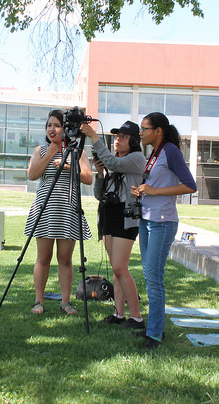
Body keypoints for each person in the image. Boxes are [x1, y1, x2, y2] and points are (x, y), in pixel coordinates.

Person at [130, 112, 197, 350]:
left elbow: (190, 185)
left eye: (145, 129)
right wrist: (141, 190)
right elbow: (155, 183)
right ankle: (153, 328)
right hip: (147, 219)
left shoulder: (170, 151)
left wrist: (155, 191)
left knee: (154, 278)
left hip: (162, 221)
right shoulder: (153, 154)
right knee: (149, 276)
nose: (141, 133)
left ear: (158, 130)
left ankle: (155, 334)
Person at [24, 110, 93, 315]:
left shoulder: (77, 151)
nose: (51, 129)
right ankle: (39, 301)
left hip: (68, 207)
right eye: (49, 125)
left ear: (66, 129)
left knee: (65, 258)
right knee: (43, 257)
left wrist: (68, 167)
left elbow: (89, 178)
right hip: (45, 207)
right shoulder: (40, 150)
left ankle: (65, 301)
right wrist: (52, 153)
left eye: (56, 125)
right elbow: (33, 175)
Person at [81, 121, 147, 329]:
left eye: (124, 137)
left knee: (120, 267)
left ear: (134, 140)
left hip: (125, 216)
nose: (118, 139)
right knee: (117, 269)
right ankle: (119, 314)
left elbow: (115, 165)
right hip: (109, 214)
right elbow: (99, 194)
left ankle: (136, 317)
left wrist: (93, 136)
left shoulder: (136, 158)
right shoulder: (112, 161)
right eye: (117, 136)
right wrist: (100, 173)